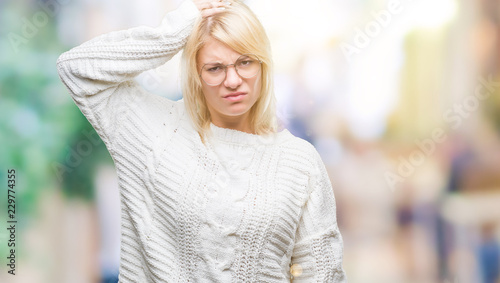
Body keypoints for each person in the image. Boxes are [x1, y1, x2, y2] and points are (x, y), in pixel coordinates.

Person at [56, 0, 347, 282]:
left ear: (263, 65)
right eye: (215, 68)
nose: (232, 80)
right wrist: (175, 29)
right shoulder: (153, 131)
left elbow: (321, 273)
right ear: (196, 74)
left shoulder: (300, 161)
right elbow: (76, 68)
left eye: (245, 62)